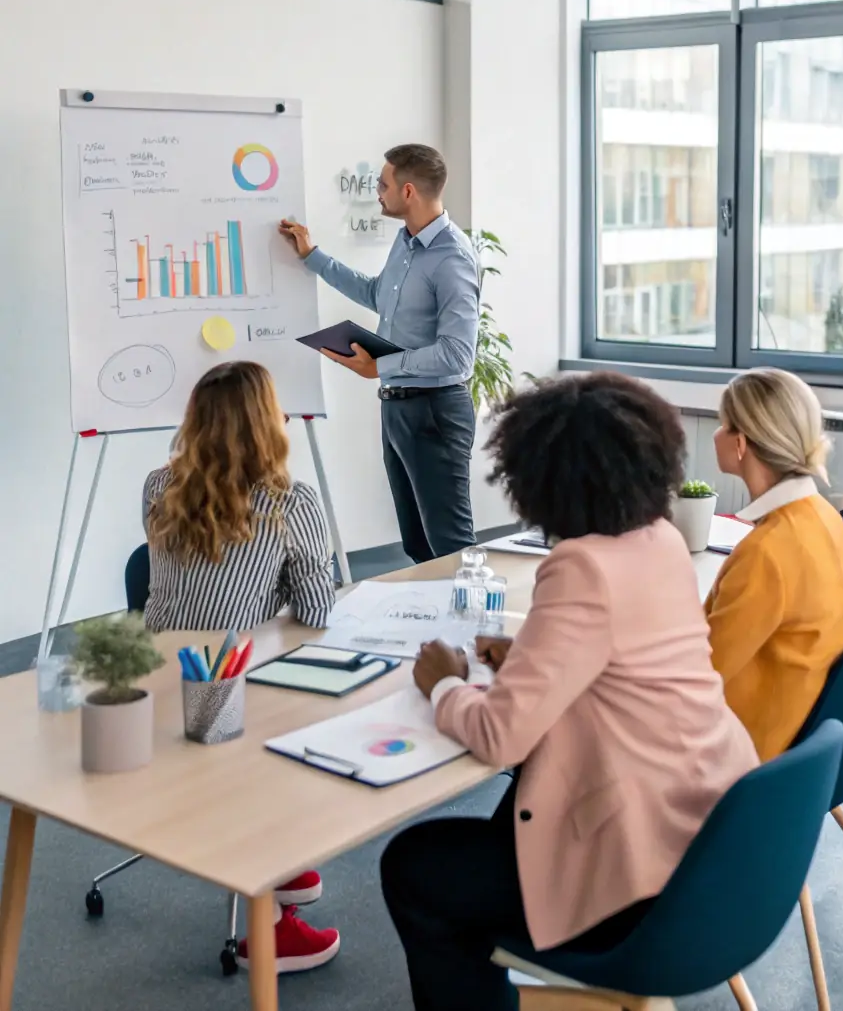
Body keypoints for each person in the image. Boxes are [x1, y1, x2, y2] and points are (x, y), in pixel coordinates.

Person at [380, 373, 758, 1011]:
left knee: (415, 867)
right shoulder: (663, 540)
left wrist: (443, 680)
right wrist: (528, 655)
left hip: (641, 876)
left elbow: (501, 736)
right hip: (712, 836)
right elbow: (617, 657)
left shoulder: (581, 565)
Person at [142, 361, 340, 976]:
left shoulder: (156, 486)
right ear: (268, 423)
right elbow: (314, 611)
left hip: (154, 680)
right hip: (228, 691)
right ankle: (271, 927)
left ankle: (281, 864)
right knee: (313, 696)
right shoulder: (289, 502)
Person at [279, 143, 480, 565]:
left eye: (383, 184)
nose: (378, 191)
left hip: (435, 411)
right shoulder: (406, 244)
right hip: (398, 407)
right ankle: (432, 628)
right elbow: (376, 294)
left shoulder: (453, 258)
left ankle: (473, 628)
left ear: (408, 191)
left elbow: (458, 355)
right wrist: (313, 258)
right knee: (416, 543)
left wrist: (380, 366)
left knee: (450, 542)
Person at [705, 368, 843, 761]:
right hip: (807, 741)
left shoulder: (766, 553)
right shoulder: (825, 517)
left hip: (749, 748)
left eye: (722, 424)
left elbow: (699, 675)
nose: (716, 434)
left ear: (740, 443)